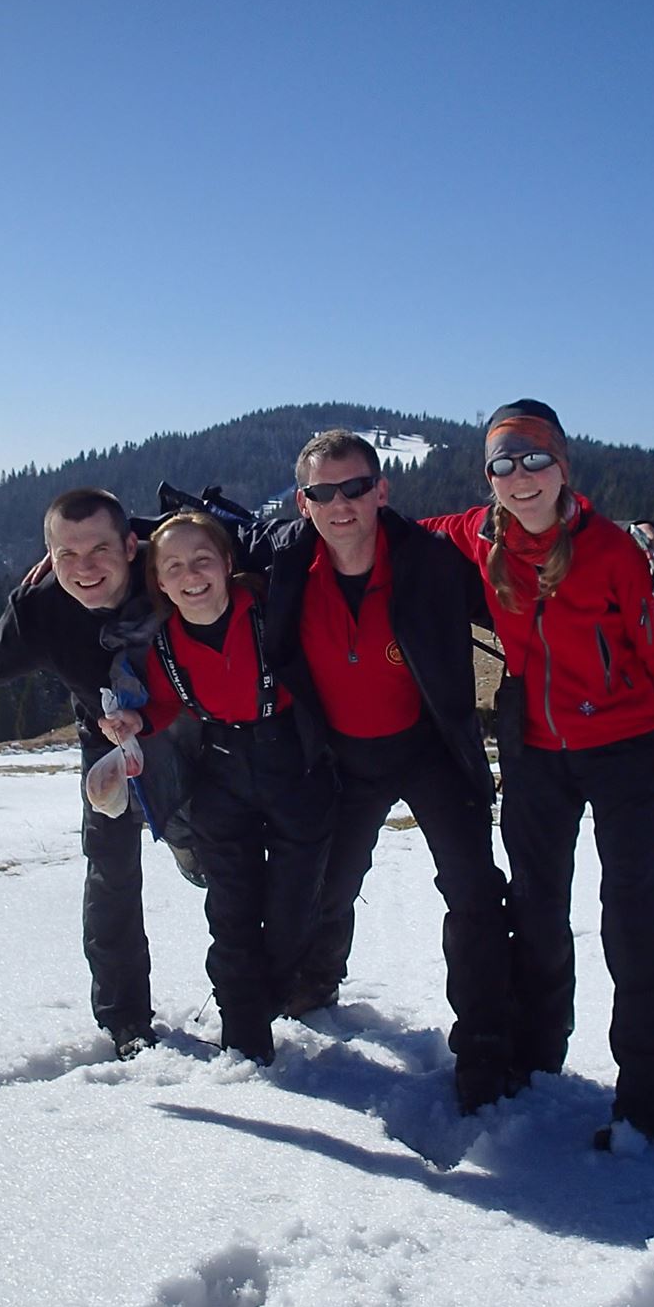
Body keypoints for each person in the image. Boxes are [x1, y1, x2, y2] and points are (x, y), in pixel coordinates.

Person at [421, 399, 654, 1148]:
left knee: (635, 924)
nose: (521, 476)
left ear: (563, 466)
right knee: (537, 909)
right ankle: (535, 1057)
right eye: (503, 464)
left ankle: (652, 1109)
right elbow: (403, 534)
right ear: (488, 477)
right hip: (536, 753)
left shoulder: (614, 552)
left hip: (628, 749)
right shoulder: (480, 535)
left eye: (535, 458)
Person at [244, 429, 516, 1114]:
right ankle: (313, 988)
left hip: (431, 750)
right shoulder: (284, 559)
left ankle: (485, 1043)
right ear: (303, 502)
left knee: (473, 893)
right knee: (328, 887)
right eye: (323, 492)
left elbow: (519, 586)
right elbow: (194, 546)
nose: (340, 504)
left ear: (381, 490)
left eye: (355, 487)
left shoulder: (432, 561)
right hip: (341, 757)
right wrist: (105, 546)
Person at [0, 487, 195, 1062]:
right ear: (49, 557)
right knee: (110, 866)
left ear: (130, 546)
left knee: (214, 850)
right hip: (107, 733)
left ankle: (258, 983)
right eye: (67, 555)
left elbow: (244, 552)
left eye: (99, 550)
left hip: (193, 722)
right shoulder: (42, 612)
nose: (84, 569)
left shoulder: (174, 565)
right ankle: (126, 1020)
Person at [105, 510, 336, 1066]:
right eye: (174, 567)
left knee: (292, 910)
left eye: (203, 560)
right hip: (222, 772)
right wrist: (139, 721)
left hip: (294, 765)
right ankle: (244, 1041)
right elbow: (166, 703)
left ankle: (271, 994)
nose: (191, 575)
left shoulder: (271, 612)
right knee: (231, 912)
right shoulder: (162, 644)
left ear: (228, 562)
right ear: (159, 582)